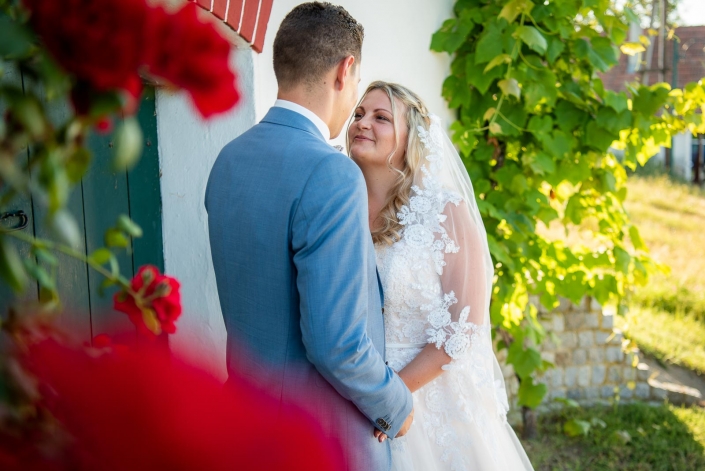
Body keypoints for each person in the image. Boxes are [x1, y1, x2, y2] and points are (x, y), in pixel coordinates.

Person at [204, 4, 413, 471]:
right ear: (346, 70)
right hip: (317, 437)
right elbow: (335, 342)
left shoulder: (228, 161)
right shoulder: (331, 173)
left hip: (245, 422)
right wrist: (396, 404)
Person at [348, 81, 535, 471]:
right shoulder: (340, 205)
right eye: (359, 114)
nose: (363, 123)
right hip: (353, 393)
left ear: (409, 138)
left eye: (381, 117)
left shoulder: (445, 212)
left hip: (430, 400)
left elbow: (461, 327)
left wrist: (390, 397)